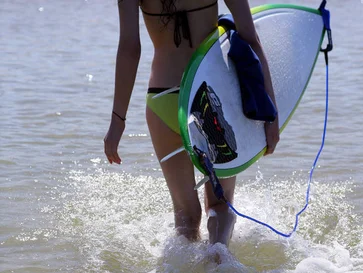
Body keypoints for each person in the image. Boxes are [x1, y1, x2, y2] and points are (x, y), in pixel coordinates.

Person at [104, 0, 279, 246]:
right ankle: (219, 261)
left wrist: (117, 121)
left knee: (186, 215)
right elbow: (250, 38)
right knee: (220, 205)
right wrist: (271, 113)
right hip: (211, 96)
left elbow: (130, 49)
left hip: (163, 100)